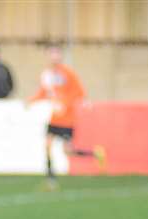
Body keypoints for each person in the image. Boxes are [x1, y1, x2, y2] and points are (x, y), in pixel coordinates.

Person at [28, 44, 105, 186]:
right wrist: (32, 101)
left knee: (68, 151)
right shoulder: (47, 74)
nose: (53, 56)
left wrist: (65, 104)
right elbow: (44, 92)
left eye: (56, 53)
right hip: (55, 118)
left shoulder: (68, 74)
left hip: (67, 119)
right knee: (47, 144)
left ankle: (95, 154)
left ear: (60, 56)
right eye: (51, 53)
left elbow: (79, 92)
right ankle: (50, 178)